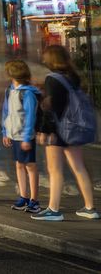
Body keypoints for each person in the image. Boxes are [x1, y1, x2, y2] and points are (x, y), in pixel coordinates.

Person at [31, 44, 98, 221]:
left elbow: (50, 106)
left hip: (58, 129)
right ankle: (90, 207)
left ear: (50, 59)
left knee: (55, 170)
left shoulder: (52, 79)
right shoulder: (72, 77)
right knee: (79, 167)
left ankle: (54, 209)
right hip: (74, 127)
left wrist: (46, 130)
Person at [1, 59, 41, 214]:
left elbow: (30, 116)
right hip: (14, 133)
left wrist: (26, 138)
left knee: (30, 166)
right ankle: (24, 196)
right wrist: (5, 132)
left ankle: (34, 200)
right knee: (19, 164)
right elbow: (6, 112)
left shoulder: (27, 93)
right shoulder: (10, 90)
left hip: (25, 135)